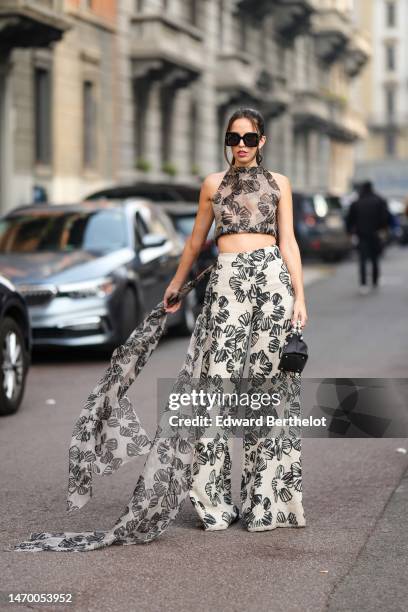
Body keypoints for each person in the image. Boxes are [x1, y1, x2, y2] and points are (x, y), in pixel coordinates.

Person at [11, 107, 307, 552]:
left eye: (248, 139)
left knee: (267, 391)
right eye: (233, 138)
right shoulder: (213, 185)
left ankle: (268, 501)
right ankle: (214, 503)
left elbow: (289, 242)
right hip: (225, 287)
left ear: (262, 141)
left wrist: (300, 297)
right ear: (226, 141)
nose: (240, 146)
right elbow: (195, 242)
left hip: (272, 284)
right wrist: (175, 286)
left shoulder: (280, 184)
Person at [345, 180, 389, 294]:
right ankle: (375, 280)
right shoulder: (379, 200)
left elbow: (350, 220)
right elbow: (385, 217)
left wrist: (350, 233)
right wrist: (383, 229)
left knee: (363, 260)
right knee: (375, 258)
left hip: (361, 235)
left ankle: (363, 283)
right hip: (375, 234)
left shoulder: (356, 202)